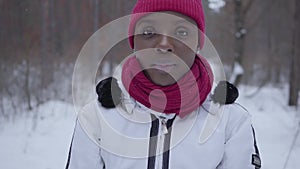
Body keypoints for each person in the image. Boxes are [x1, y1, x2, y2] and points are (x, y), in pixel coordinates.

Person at [65, 0, 261, 169]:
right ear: (134, 42)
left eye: (182, 31)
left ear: (199, 43)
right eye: (149, 32)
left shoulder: (231, 121)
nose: (164, 44)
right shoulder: (96, 118)